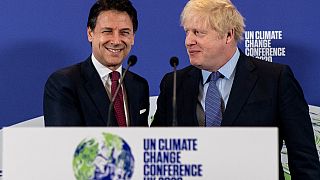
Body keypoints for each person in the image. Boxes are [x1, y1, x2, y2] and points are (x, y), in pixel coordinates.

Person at [152, 0, 320, 179]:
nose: (188, 41)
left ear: (228, 35)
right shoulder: (174, 83)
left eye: (198, 33)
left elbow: (304, 160)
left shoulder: (274, 79)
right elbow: (156, 153)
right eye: (187, 32)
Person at [44, 0, 149, 126]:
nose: (116, 41)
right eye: (107, 31)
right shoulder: (64, 83)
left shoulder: (139, 85)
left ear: (133, 37)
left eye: (124, 32)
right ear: (90, 33)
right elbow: (65, 142)